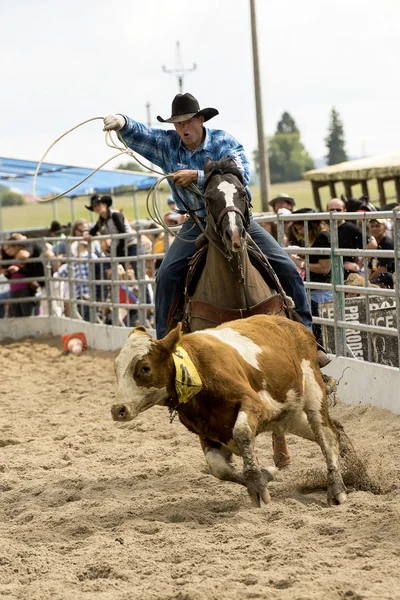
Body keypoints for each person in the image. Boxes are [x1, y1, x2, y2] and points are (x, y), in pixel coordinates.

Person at [103, 92, 312, 339]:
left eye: (188, 121)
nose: (184, 127)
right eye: (178, 123)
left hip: (235, 218)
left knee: (286, 266)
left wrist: (197, 176)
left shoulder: (223, 142)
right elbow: (143, 134)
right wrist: (123, 122)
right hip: (198, 222)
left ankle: (307, 335)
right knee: (166, 274)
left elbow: (239, 174)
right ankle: (163, 342)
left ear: (201, 120)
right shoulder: (168, 145)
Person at [289, 210, 332, 346]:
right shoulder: (320, 238)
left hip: (320, 293)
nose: (300, 232)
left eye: (301, 228)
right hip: (316, 291)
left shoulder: (323, 237)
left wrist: (300, 263)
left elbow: (325, 268)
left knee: (319, 332)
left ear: (311, 225)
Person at [86, 195, 140, 273]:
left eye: (98, 205)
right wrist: (89, 234)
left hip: (131, 244)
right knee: (121, 271)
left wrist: (116, 251)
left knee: (137, 268)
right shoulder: (102, 220)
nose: (97, 208)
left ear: (105, 204)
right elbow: (94, 229)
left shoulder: (115, 215)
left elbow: (123, 233)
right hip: (121, 246)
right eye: (94, 207)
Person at [327, 197, 378, 280]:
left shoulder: (350, 228)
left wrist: (358, 265)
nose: (335, 212)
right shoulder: (326, 228)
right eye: (332, 210)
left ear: (344, 211)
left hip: (347, 277)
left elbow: (372, 244)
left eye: (338, 210)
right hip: (330, 275)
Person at [367, 218, 394, 283]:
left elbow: (383, 269)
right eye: (372, 226)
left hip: (389, 281)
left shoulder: (387, 244)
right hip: (379, 279)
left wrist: (367, 282)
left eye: (377, 226)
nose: (374, 229)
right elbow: (372, 267)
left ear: (384, 227)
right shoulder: (374, 244)